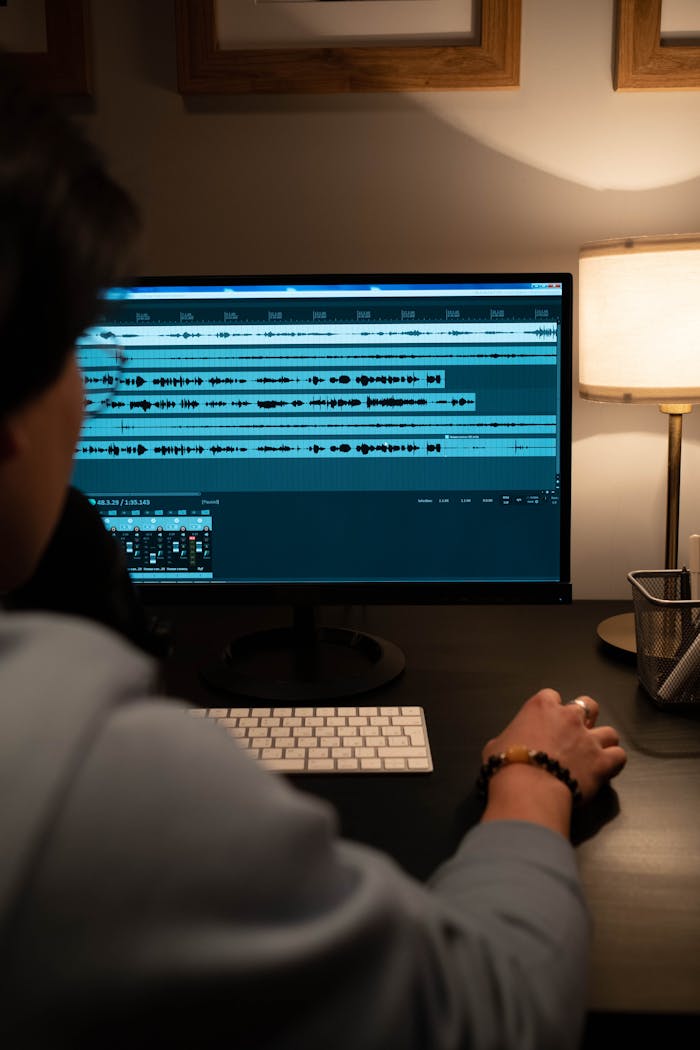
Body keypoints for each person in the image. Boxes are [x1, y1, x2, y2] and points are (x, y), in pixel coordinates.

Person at [0, 54, 627, 1049]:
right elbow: (496, 1013)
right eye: (80, 344)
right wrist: (528, 779)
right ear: (7, 421)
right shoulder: (89, 787)